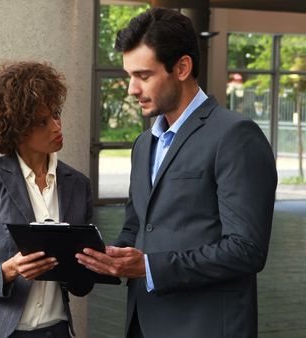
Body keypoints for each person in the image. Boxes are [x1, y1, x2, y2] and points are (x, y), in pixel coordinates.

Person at [76, 8, 277, 338]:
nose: (131, 89)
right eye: (129, 76)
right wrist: (104, 256)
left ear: (182, 67)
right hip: (142, 323)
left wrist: (150, 267)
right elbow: (137, 226)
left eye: (143, 76)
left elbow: (246, 249)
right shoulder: (143, 144)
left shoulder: (236, 136)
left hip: (205, 327)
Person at [0, 61, 94, 338]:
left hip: (56, 330)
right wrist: (9, 270)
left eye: (56, 114)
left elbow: (82, 285)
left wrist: (90, 264)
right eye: (42, 121)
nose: (56, 125)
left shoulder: (78, 185)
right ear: (16, 129)